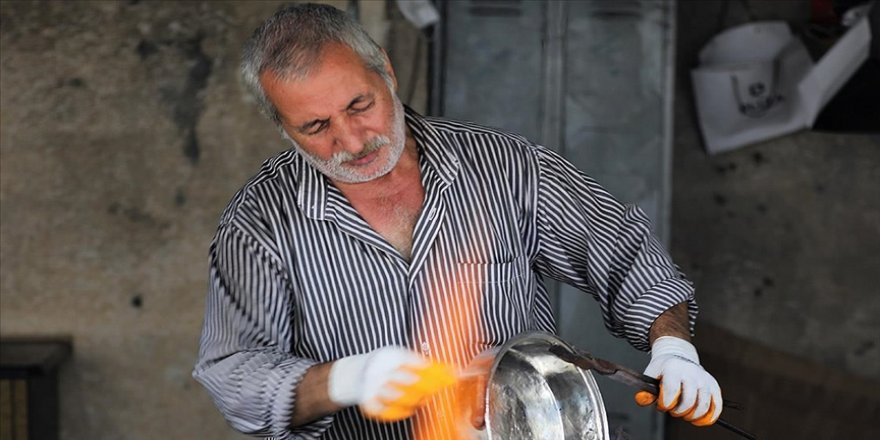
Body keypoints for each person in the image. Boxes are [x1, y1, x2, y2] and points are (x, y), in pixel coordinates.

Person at [193, 3, 723, 439]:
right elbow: (234, 371)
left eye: (360, 104)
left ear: (386, 69)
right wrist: (344, 379)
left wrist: (673, 346)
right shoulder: (259, 224)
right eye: (315, 126)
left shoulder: (505, 168)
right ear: (281, 126)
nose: (351, 142)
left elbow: (623, 250)